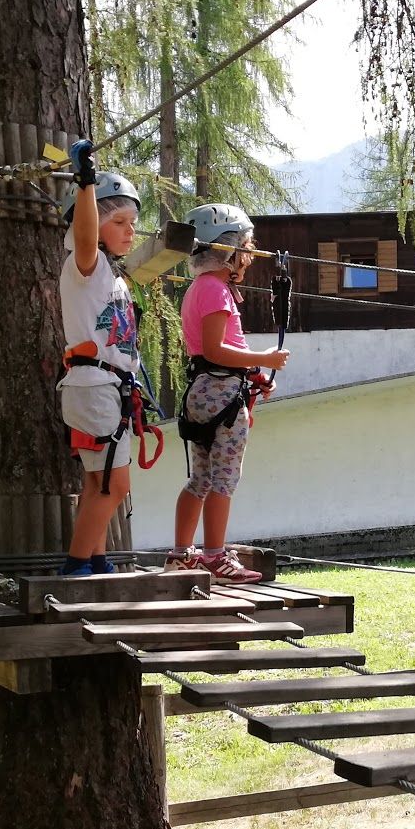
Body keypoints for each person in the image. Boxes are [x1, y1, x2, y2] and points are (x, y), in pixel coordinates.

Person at [165, 203, 289, 582]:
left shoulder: (199, 289)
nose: (249, 258)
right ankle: (215, 556)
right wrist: (262, 357)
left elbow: (210, 352)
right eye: (246, 248)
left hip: (204, 391)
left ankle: (182, 554)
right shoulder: (217, 291)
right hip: (222, 395)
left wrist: (252, 371)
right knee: (223, 480)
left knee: (200, 480)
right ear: (226, 250)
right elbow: (217, 349)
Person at [56, 138, 142, 577]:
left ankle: (93, 557)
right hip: (95, 388)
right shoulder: (83, 265)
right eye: (121, 221)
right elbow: (86, 233)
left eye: (133, 222)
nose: (130, 231)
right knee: (115, 483)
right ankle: (76, 567)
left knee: (99, 481)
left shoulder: (111, 275)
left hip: (105, 388)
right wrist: (86, 182)